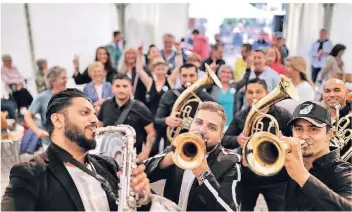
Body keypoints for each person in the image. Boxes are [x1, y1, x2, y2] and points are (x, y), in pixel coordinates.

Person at [1, 88, 151, 211]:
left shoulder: (108, 164)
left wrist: (142, 197)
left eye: (94, 114)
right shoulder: (30, 174)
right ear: (58, 120)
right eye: (85, 113)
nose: (94, 120)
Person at [145, 101, 242, 211]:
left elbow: (229, 209)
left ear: (221, 136)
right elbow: (139, 173)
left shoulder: (231, 163)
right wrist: (171, 157)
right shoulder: (178, 147)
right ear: (191, 124)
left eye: (212, 127)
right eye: (199, 122)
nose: (201, 130)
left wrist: (203, 174)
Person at [222, 78, 293, 211]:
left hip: (277, 178)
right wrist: (237, 139)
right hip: (249, 176)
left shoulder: (283, 115)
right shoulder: (241, 116)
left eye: (258, 92)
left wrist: (285, 140)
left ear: (267, 92)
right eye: (250, 92)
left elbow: (296, 140)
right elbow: (224, 140)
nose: (254, 96)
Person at [283, 100, 352, 211]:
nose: (304, 136)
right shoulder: (291, 163)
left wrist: (302, 176)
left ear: (329, 134)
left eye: (313, 129)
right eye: (298, 129)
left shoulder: (343, 172)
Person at [98, 73, 155, 161]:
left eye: (125, 86)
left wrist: (146, 152)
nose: (121, 90)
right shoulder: (105, 105)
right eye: (117, 86)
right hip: (106, 158)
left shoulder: (140, 107)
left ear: (131, 88)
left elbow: (151, 133)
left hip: (131, 160)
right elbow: (99, 130)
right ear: (112, 88)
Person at [154, 63, 214, 147]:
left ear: (197, 76)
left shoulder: (207, 98)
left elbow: (214, 124)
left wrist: (197, 125)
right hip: (173, 145)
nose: (188, 79)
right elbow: (156, 120)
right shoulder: (169, 95)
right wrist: (166, 120)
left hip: (197, 145)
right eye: (184, 76)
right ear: (180, 77)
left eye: (192, 75)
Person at [24, 66, 67, 149]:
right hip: (50, 144)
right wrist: (37, 131)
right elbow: (27, 116)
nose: (66, 80)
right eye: (63, 78)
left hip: (70, 142)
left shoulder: (69, 95)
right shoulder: (42, 97)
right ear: (53, 81)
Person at [136, 44, 180, 116]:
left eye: (162, 69)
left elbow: (178, 67)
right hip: (152, 117)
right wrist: (139, 54)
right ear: (153, 70)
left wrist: (178, 51)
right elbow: (139, 70)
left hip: (168, 117)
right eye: (158, 69)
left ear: (166, 69)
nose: (160, 71)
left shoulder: (170, 80)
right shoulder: (150, 82)